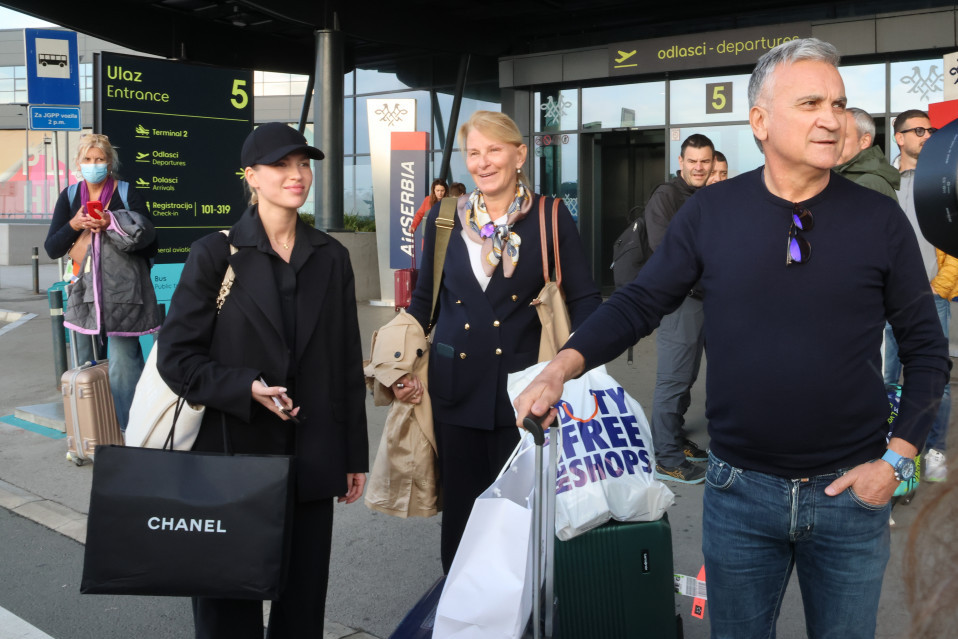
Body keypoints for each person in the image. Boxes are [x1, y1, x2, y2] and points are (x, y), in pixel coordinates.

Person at [514, 38, 950, 637]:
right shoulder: (710, 212)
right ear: (760, 121)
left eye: (838, 103)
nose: (833, 118)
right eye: (811, 103)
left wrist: (897, 463)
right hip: (739, 494)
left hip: (852, 496)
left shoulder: (880, 220)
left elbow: (927, 350)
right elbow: (641, 301)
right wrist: (561, 367)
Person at [156, 122, 368, 639]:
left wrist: (353, 455)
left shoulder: (331, 256)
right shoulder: (215, 253)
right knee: (227, 605)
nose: (297, 175)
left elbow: (346, 363)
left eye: (303, 164)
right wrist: (245, 385)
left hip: (311, 456)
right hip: (231, 455)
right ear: (251, 176)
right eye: (280, 165)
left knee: (302, 605)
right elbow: (177, 359)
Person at [393, 110, 601, 573]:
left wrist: (578, 370)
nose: (483, 162)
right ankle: (461, 602)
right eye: (474, 153)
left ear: (519, 155)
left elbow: (585, 299)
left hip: (527, 393)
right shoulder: (445, 218)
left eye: (494, 150)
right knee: (462, 518)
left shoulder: (549, 216)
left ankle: (522, 607)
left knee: (521, 519)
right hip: (455, 391)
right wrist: (399, 366)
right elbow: (424, 301)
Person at [44, 133, 160, 431]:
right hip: (83, 295)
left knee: (123, 366)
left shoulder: (126, 193)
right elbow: (52, 248)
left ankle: (131, 432)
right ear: (78, 163)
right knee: (84, 367)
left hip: (123, 295)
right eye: (87, 159)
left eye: (99, 159)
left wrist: (112, 223)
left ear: (109, 164)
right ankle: (92, 431)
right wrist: (74, 224)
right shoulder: (70, 196)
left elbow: (151, 244)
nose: (93, 164)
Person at [885, 108, 953, 482]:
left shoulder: (942, 178)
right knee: (888, 378)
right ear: (899, 137)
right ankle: (894, 451)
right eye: (919, 131)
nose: (928, 136)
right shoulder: (883, 183)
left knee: (934, 378)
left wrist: (938, 286)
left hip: (930, 296)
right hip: (887, 299)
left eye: (931, 130)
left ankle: (935, 451)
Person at [645, 133, 714, 484]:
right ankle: (667, 458)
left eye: (705, 161)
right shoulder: (667, 196)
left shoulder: (708, 195)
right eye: (693, 161)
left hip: (708, 298)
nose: (699, 167)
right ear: (681, 162)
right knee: (674, 378)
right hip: (681, 300)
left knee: (687, 377)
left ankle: (675, 439)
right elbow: (664, 248)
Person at [833, 107, 899, 200]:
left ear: (864, 141)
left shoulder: (867, 183)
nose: (832, 141)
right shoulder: (840, 177)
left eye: (842, 136)